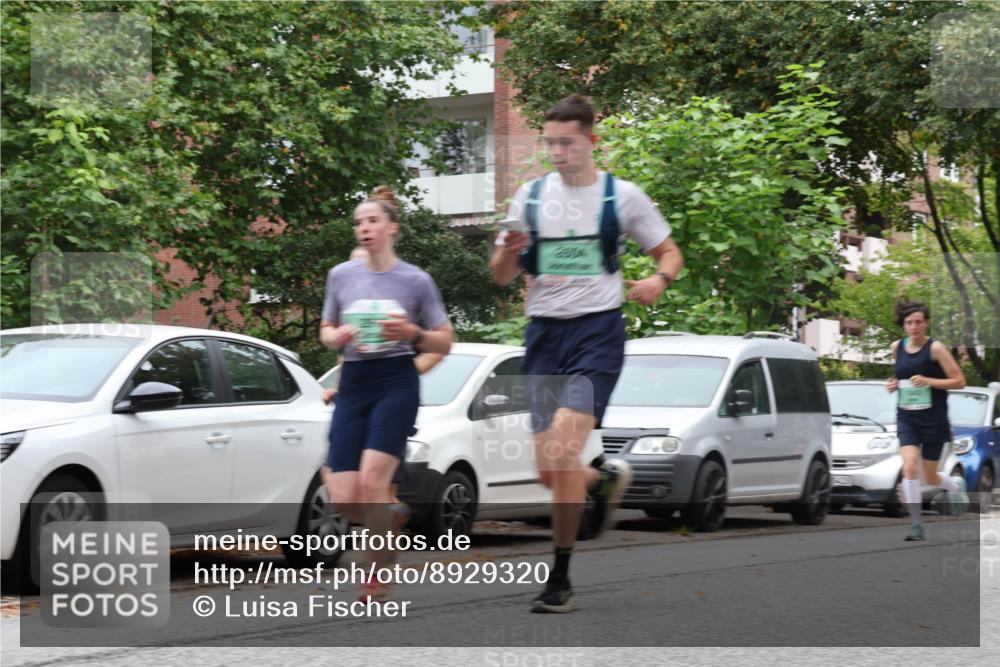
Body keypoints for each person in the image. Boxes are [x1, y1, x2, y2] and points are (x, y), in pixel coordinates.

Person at [490, 94, 684, 613]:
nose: (557, 152)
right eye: (550, 142)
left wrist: (657, 280)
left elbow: (669, 251)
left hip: (597, 334)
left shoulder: (622, 198)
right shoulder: (528, 199)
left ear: (590, 141)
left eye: (567, 143)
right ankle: (603, 478)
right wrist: (507, 252)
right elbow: (501, 277)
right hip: (543, 336)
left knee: (561, 453)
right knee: (549, 470)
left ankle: (561, 578)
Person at [320, 187, 453, 600]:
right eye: (359, 222)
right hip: (355, 382)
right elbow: (325, 331)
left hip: (396, 381)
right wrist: (335, 337)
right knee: (344, 498)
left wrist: (412, 333)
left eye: (372, 220)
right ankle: (391, 518)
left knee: (375, 480)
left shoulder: (416, 281)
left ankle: (376, 576)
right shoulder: (340, 276)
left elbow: (444, 343)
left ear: (392, 228)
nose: (364, 228)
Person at [886, 299, 967, 542]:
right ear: (904, 325)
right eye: (909, 322)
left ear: (926, 323)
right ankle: (916, 524)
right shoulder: (896, 347)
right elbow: (901, 376)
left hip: (934, 419)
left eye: (918, 322)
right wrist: (892, 384)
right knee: (910, 466)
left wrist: (929, 381)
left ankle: (954, 485)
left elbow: (959, 381)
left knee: (930, 477)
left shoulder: (936, 349)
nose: (914, 327)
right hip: (907, 416)